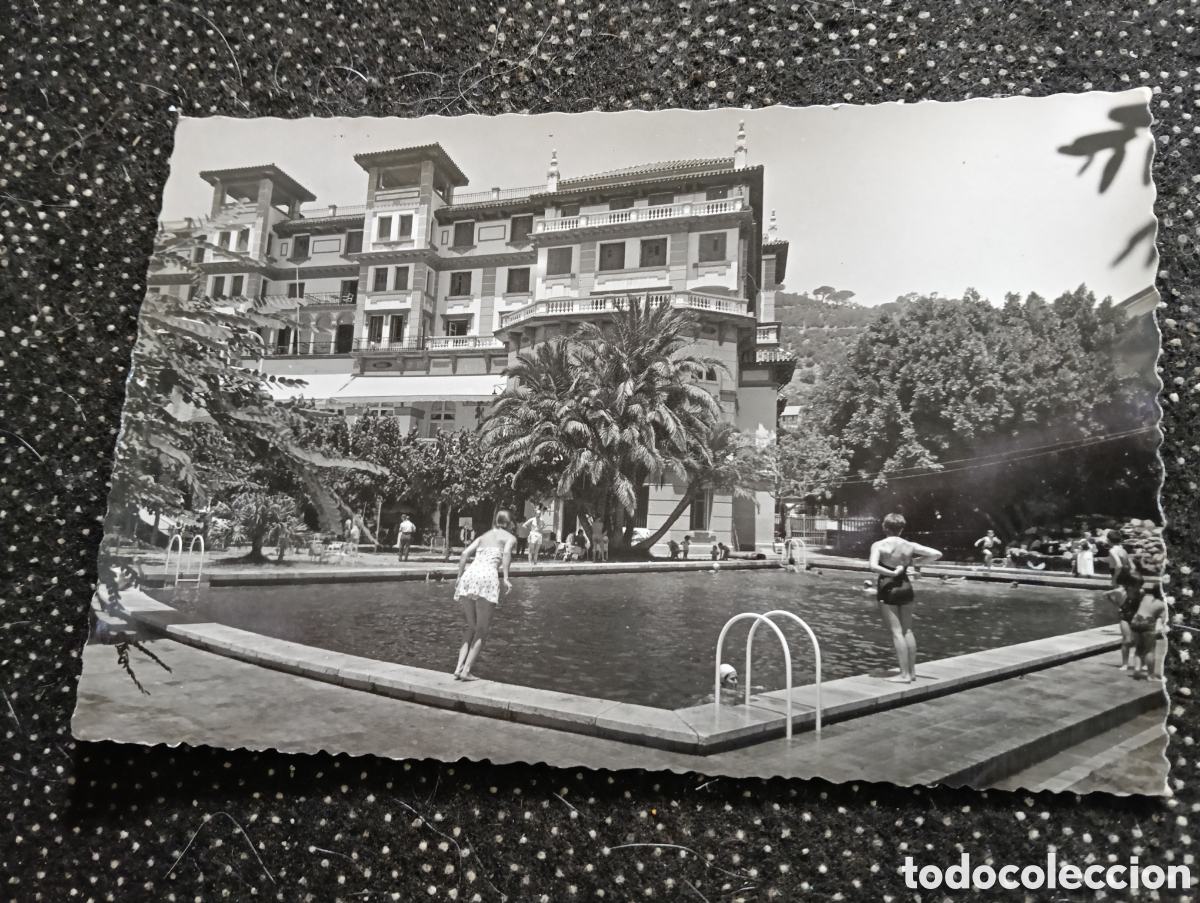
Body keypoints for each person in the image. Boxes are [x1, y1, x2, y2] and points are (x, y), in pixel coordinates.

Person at [869, 513, 943, 684]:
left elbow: (873, 566)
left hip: (889, 586)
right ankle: (912, 672)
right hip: (906, 587)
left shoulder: (879, 545)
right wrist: (917, 562)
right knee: (907, 630)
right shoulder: (909, 545)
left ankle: (904, 675)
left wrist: (891, 572)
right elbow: (936, 553)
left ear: (884, 527)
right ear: (901, 529)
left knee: (896, 632)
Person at [452, 509, 517, 681]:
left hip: (469, 576)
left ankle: (459, 668)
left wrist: (459, 577)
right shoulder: (509, 538)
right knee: (482, 629)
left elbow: (465, 554)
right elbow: (506, 553)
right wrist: (506, 578)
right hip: (487, 577)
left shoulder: (482, 536)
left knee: (471, 627)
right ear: (509, 524)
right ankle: (466, 672)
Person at [1107, 529, 1143, 671]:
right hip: (1128, 580)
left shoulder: (1112, 551)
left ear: (1109, 540)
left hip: (1120, 579)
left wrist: (1115, 580)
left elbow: (1119, 566)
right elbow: (1132, 566)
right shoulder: (1123, 550)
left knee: (1123, 604)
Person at [1130, 583, 1168, 681]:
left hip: (1135, 621)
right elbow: (1164, 620)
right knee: (1150, 650)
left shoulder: (1145, 597)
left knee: (1139, 648)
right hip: (1147, 623)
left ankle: (1137, 669)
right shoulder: (1162, 605)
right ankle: (1150, 675)